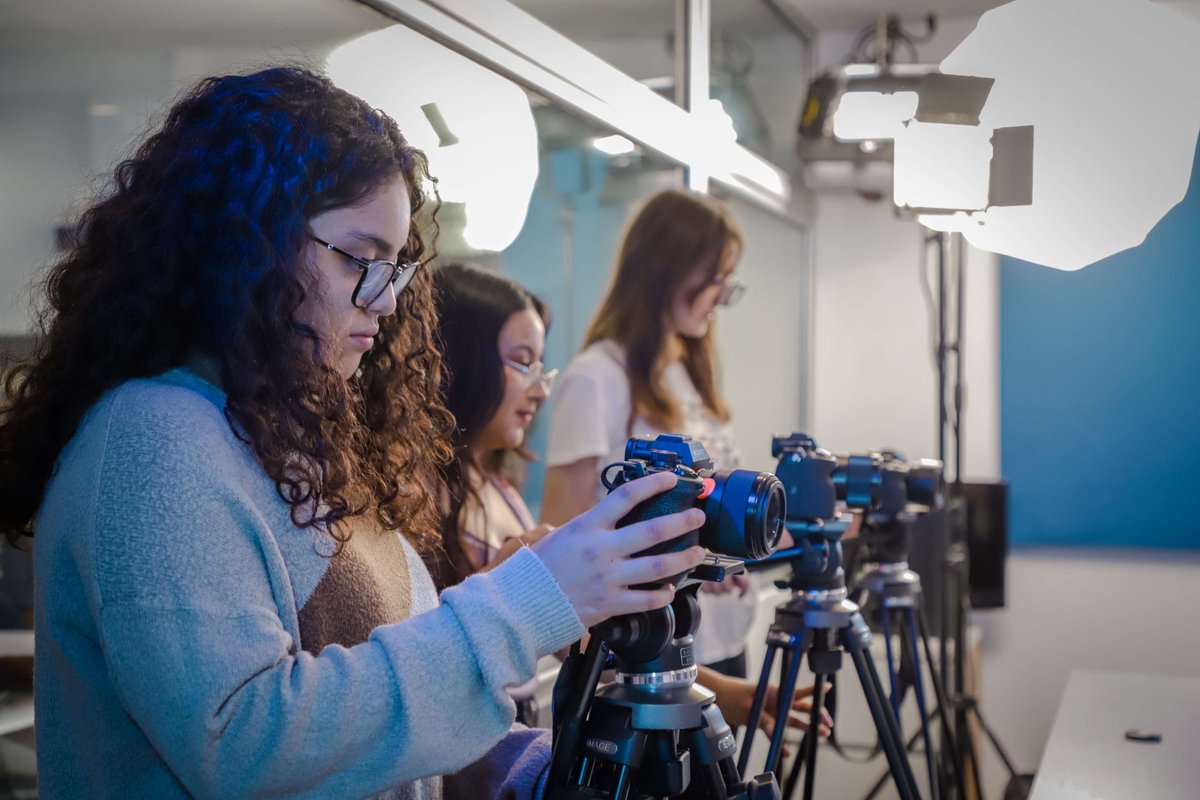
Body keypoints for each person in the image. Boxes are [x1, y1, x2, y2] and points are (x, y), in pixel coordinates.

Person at [0, 66, 710, 799]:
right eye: (362, 260)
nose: (383, 300)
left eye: (394, 270)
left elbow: (375, 733)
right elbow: (242, 742)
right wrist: (526, 602)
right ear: (247, 240)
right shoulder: (153, 442)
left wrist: (524, 769)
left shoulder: (282, 439)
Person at [543, 188, 761, 680]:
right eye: (715, 278)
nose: (722, 297)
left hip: (719, 635)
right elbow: (560, 538)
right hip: (649, 653)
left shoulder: (689, 372)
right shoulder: (595, 379)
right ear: (669, 271)